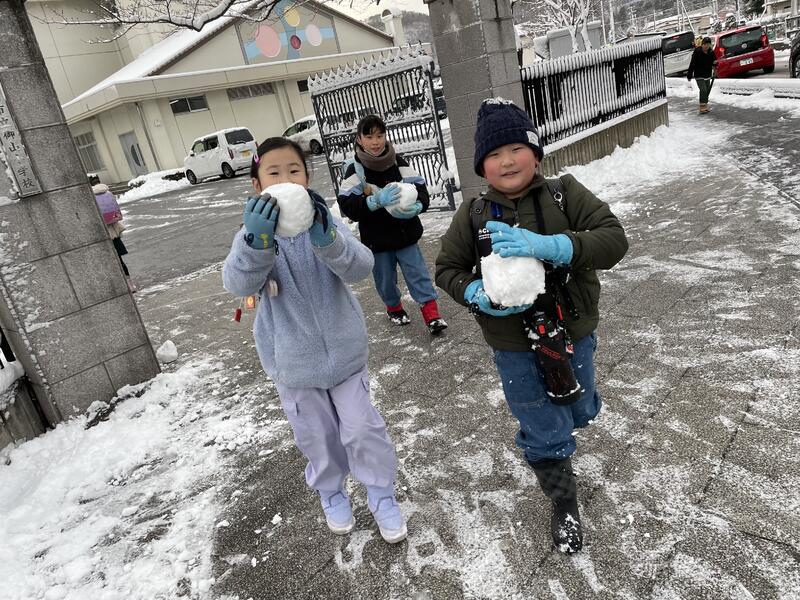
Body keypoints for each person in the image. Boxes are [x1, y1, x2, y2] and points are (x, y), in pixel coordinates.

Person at [435, 99, 628, 553]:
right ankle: (564, 501)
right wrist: (474, 292)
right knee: (542, 421)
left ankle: (568, 419)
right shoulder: (473, 215)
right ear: (481, 166)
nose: (506, 161)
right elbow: (446, 268)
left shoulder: (565, 194)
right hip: (513, 344)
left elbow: (613, 239)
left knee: (579, 408)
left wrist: (554, 246)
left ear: (535, 154)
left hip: (571, 332)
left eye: (516, 149)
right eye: (494, 153)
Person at [222, 137, 407, 544]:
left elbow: (362, 267)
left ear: (306, 179)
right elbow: (237, 283)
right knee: (317, 437)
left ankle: (381, 494)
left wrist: (328, 241)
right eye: (274, 173)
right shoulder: (251, 234)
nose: (286, 179)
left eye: (294, 171)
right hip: (294, 364)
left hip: (345, 353)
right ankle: (331, 492)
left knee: (362, 429)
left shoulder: (325, 221)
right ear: (257, 186)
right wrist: (257, 244)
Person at [337, 114, 447, 335]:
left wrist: (419, 205)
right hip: (377, 240)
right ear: (359, 139)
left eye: (380, 135)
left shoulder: (397, 161)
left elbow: (420, 188)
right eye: (369, 137)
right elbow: (347, 205)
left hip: (405, 234)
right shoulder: (355, 170)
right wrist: (374, 201)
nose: (376, 142)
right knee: (385, 279)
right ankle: (394, 308)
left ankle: (432, 314)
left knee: (418, 274)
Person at [92, 181, 136, 293]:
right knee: (120, 260)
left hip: (105, 234)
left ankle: (119, 285)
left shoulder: (92, 198)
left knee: (110, 262)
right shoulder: (108, 194)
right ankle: (130, 284)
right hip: (115, 234)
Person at [687, 37, 717, 114]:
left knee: (707, 91)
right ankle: (702, 107)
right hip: (699, 74)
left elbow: (714, 62)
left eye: (708, 44)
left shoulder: (711, 52)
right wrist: (689, 74)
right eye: (705, 44)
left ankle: (705, 105)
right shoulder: (697, 52)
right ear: (702, 44)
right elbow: (692, 63)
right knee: (703, 90)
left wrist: (715, 65)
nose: (706, 46)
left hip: (707, 74)